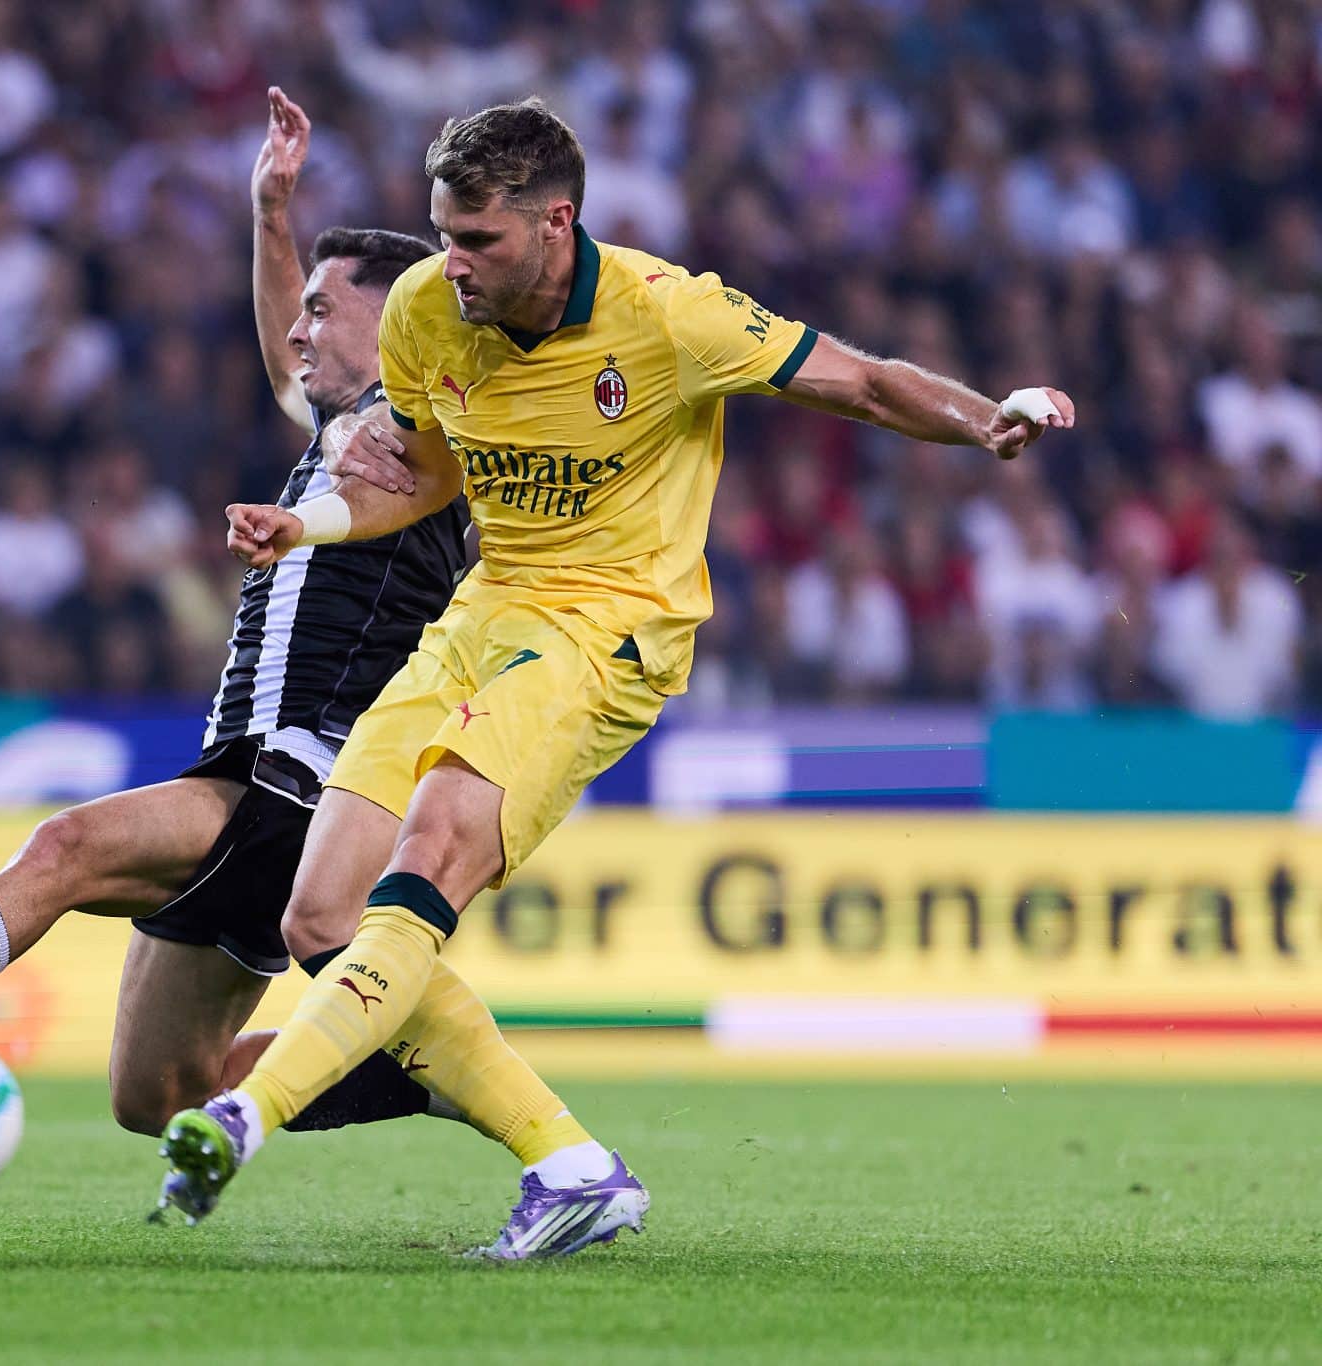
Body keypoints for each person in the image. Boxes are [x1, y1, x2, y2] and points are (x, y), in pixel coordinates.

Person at [157, 97, 1074, 1256]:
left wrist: (982, 420)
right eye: (442, 233)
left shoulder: (667, 315)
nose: (452, 262)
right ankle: (572, 1168)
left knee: (432, 847)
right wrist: (316, 525)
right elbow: (426, 474)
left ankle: (244, 1115)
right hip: (481, 616)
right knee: (320, 915)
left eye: (477, 239)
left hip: (606, 629)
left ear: (556, 222)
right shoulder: (425, 312)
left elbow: (861, 381)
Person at [0, 93, 589, 1180]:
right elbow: (290, 364)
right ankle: (441, 1066)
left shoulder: (434, 439)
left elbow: (482, 439)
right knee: (159, 1093)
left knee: (65, 849)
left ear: (399, 321)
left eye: (326, 309)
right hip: (245, 766)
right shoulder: (342, 423)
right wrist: (269, 215)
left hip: (312, 778)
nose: (299, 328)